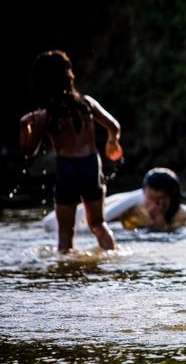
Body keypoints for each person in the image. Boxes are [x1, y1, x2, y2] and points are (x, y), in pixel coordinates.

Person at [19, 50, 122, 253]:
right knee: (98, 225)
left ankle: (65, 277)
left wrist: (24, 127)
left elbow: (29, 150)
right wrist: (112, 143)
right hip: (90, 165)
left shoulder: (43, 116)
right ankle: (113, 259)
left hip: (67, 169)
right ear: (69, 76)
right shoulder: (87, 105)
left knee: (65, 233)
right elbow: (114, 126)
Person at [42, 167, 186, 233]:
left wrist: (158, 220)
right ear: (145, 194)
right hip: (123, 213)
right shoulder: (134, 203)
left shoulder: (180, 212)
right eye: (152, 199)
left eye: (162, 199)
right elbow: (96, 222)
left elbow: (168, 232)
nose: (158, 204)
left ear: (173, 198)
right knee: (52, 223)